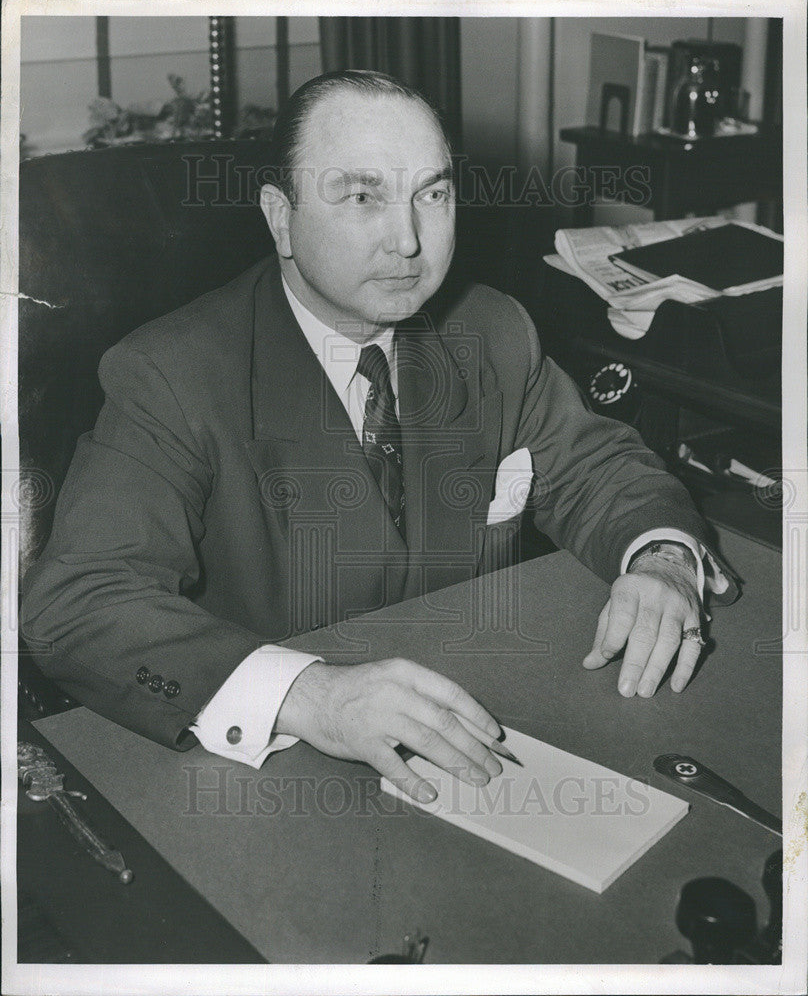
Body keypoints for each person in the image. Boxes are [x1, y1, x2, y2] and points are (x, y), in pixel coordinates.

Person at [22, 71, 735, 805]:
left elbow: (595, 466)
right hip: (274, 773)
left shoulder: (489, 329)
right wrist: (314, 694)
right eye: (362, 197)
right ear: (280, 218)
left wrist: (661, 557)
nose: (408, 241)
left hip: (478, 734)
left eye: (432, 194)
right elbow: (78, 603)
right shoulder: (172, 373)